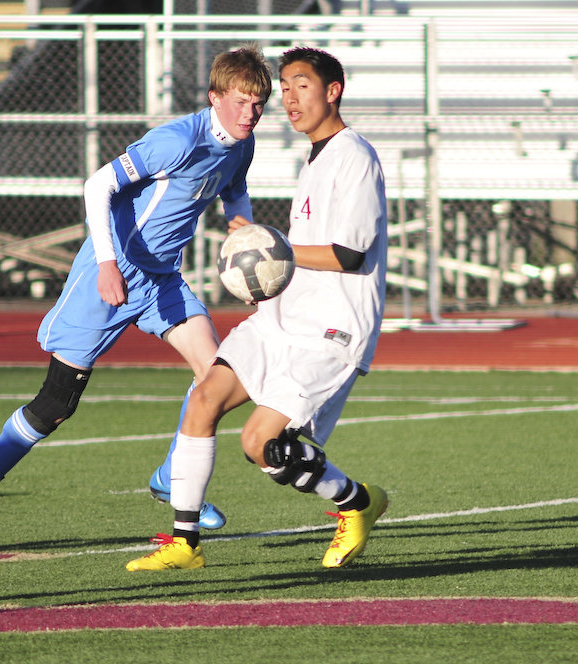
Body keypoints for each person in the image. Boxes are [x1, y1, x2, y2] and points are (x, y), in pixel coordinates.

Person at [0, 46, 273, 552]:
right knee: (55, 406)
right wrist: (108, 263)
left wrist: (243, 233)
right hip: (110, 272)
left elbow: (236, 189)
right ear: (214, 97)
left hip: (161, 281)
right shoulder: (176, 140)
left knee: (220, 377)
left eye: (258, 103)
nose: (251, 112)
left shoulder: (242, 145)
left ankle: (171, 478)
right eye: (242, 100)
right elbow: (98, 186)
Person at [126, 46, 389, 572]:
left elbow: (349, 253)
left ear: (332, 90)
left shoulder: (354, 156)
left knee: (261, 444)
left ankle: (358, 503)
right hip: (282, 319)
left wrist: (272, 247)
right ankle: (184, 543)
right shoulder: (315, 155)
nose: (289, 99)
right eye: (283, 89)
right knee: (204, 399)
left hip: (331, 331)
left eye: (301, 86)